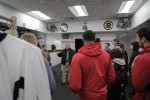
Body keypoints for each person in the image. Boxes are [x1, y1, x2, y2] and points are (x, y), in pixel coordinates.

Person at [69, 30, 116, 100]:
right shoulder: (106, 55)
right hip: (102, 95)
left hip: (86, 96)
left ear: (83, 40)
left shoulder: (77, 57)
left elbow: (75, 86)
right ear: (94, 39)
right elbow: (111, 78)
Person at [131, 27, 150, 100]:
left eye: (138, 38)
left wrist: (133, 67)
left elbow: (137, 85)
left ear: (143, 39)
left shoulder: (142, 58)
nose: (138, 41)